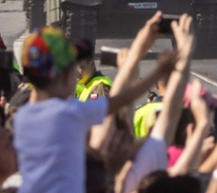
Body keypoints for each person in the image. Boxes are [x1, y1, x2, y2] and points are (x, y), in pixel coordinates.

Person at [12, 25, 174, 193]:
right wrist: (154, 69)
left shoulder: (21, 115)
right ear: (64, 76)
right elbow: (121, 99)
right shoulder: (67, 113)